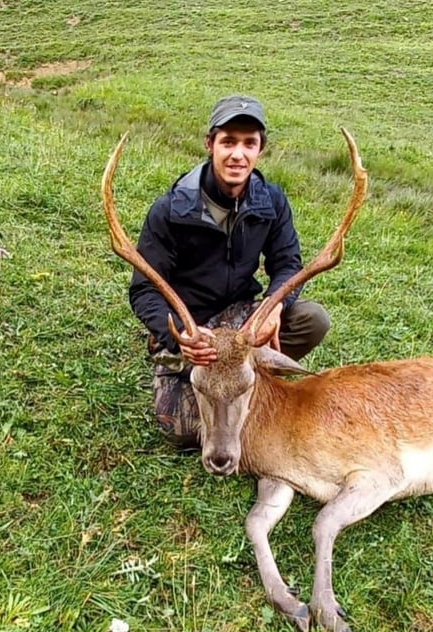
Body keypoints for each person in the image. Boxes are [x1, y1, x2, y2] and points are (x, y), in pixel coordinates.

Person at [129, 94, 330, 448]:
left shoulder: (271, 201)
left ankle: (243, 377)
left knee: (312, 319)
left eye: (249, 143)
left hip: (241, 321)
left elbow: (287, 264)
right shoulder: (170, 210)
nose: (238, 154)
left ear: (260, 150)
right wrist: (177, 336)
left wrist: (274, 309)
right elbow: (144, 290)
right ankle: (209, 375)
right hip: (193, 329)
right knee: (182, 431)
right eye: (228, 142)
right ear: (210, 144)